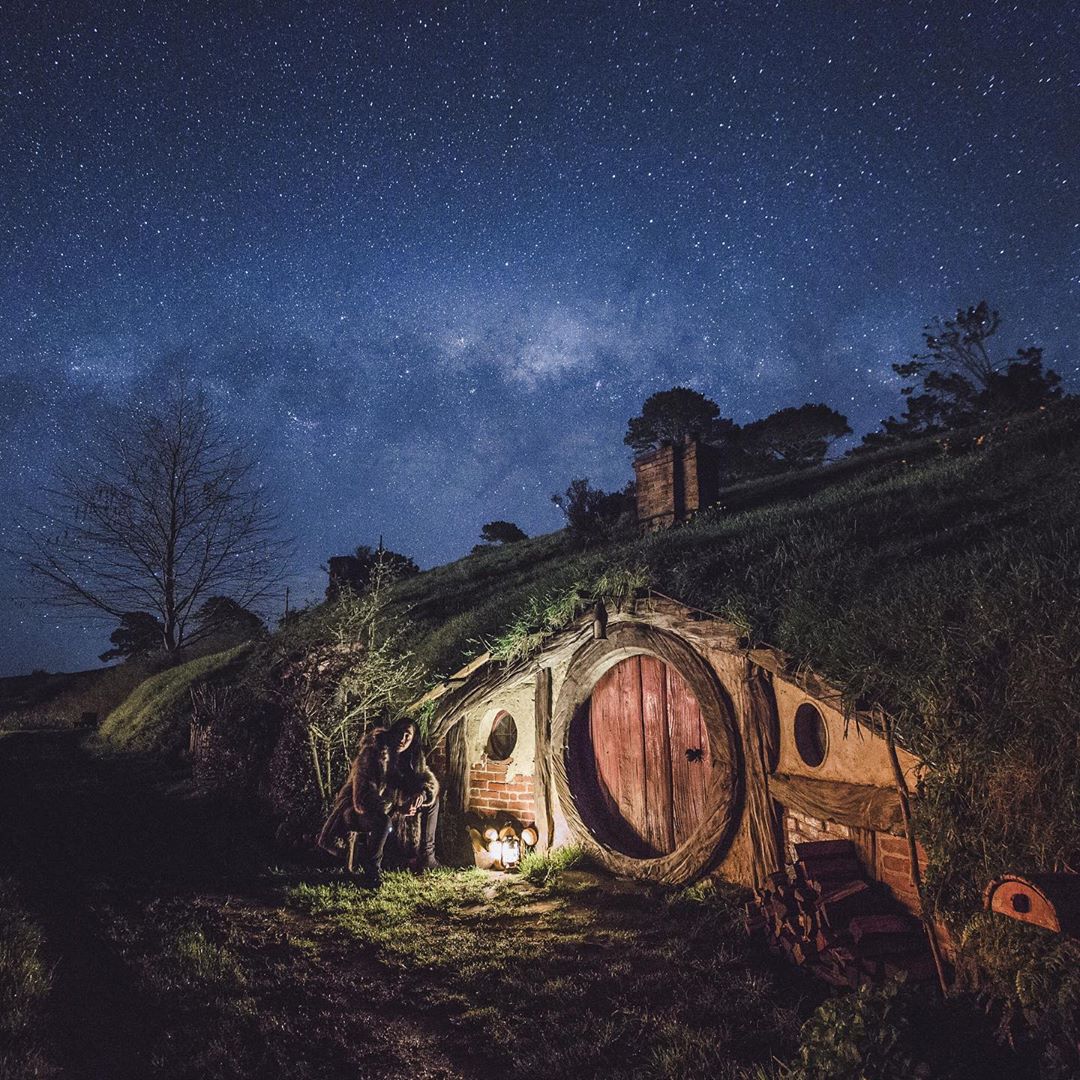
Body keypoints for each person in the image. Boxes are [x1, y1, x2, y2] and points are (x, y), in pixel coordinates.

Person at [316, 717, 440, 886]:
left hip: (392, 809)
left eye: (408, 736)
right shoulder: (373, 754)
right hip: (355, 811)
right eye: (400, 733)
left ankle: (427, 857)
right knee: (382, 821)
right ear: (392, 732)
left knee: (432, 800)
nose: (403, 739)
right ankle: (372, 872)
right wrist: (397, 808)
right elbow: (363, 799)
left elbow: (429, 782)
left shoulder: (411, 759)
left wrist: (422, 795)